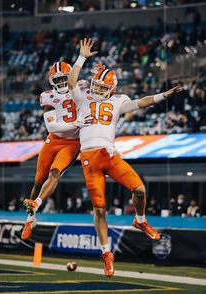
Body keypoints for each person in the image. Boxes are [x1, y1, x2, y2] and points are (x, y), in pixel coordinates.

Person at [67, 38, 182, 277]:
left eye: (102, 87)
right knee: (99, 210)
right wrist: (81, 58)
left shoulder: (118, 101)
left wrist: (164, 95)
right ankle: (106, 253)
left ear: (111, 89)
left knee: (139, 190)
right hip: (89, 158)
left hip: (109, 154)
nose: (97, 90)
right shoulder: (82, 98)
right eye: (96, 86)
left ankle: (140, 219)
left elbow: (142, 102)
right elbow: (71, 82)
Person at [21, 61, 85, 240]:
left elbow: (103, 91)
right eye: (58, 79)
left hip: (72, 142)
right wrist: (75, 123)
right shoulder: (47, 96)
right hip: (54, 139)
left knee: (55, 172)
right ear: (51, 81)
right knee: (38, 180)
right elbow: (51, 126)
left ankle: (36, 204)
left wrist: (99, 71)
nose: (62, 82)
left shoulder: (83, 86)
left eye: (65, 78)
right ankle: (30, 218)